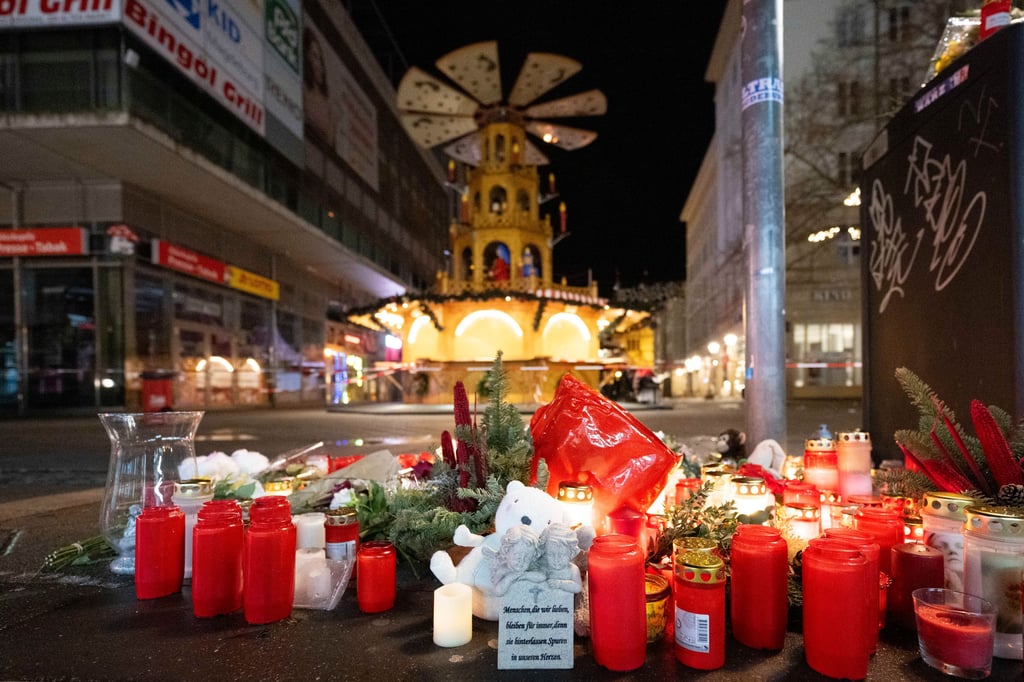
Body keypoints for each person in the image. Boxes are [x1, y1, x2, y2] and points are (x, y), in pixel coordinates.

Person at [303, 27, 334, 147]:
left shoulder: (328, 105)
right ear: (307, 58)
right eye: (314, 56)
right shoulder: (302, 91)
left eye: (319, 57)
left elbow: (330, 144)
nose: (319, 64)